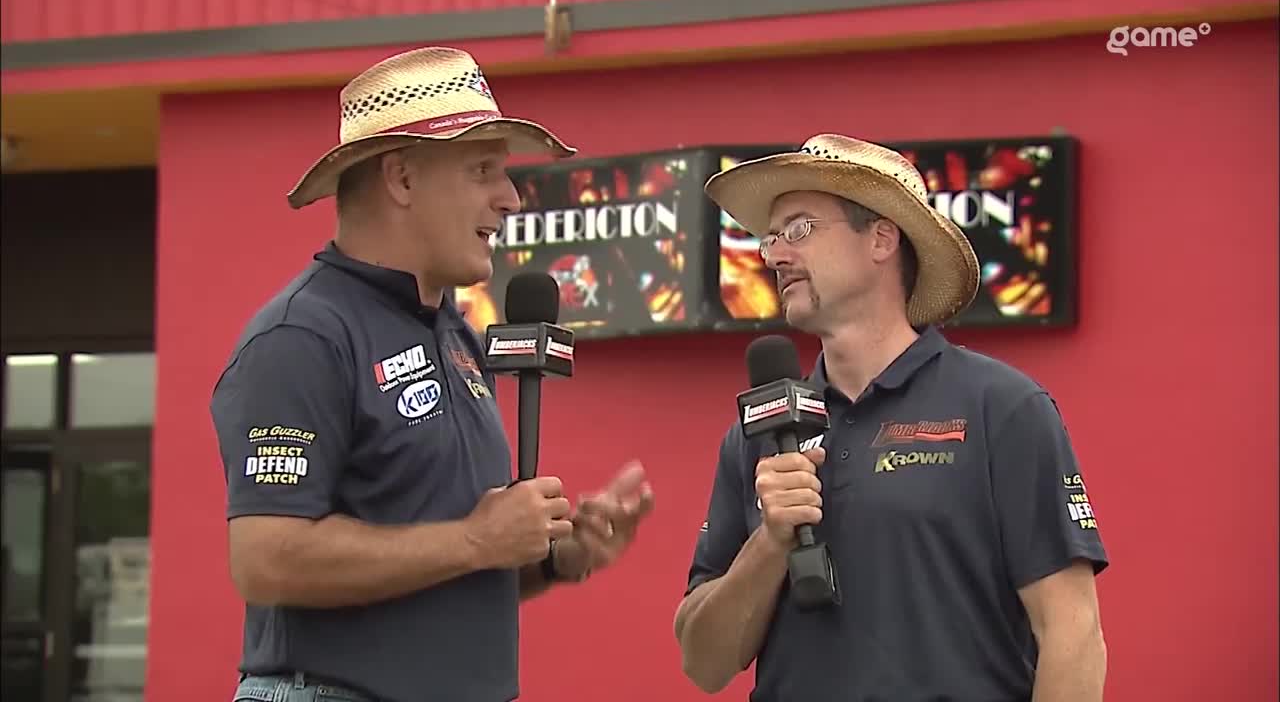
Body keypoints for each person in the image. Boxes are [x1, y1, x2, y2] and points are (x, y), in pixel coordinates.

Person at [211, 47, 655, 702]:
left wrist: (554, 558)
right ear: (402, 179)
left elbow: (452, 560)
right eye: (483, 171)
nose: (510, 199)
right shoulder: (302, 336)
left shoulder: (457, 336)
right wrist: (476, 539)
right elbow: (266, 559)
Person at [673, 134, 1108, 701]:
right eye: (771, 237)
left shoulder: (1002, 407)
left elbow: (1073, 634)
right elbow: (703, 664)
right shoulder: (756, 434)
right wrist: (772, 540)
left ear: (881, 238)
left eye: (799, 228)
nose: (775, 254)